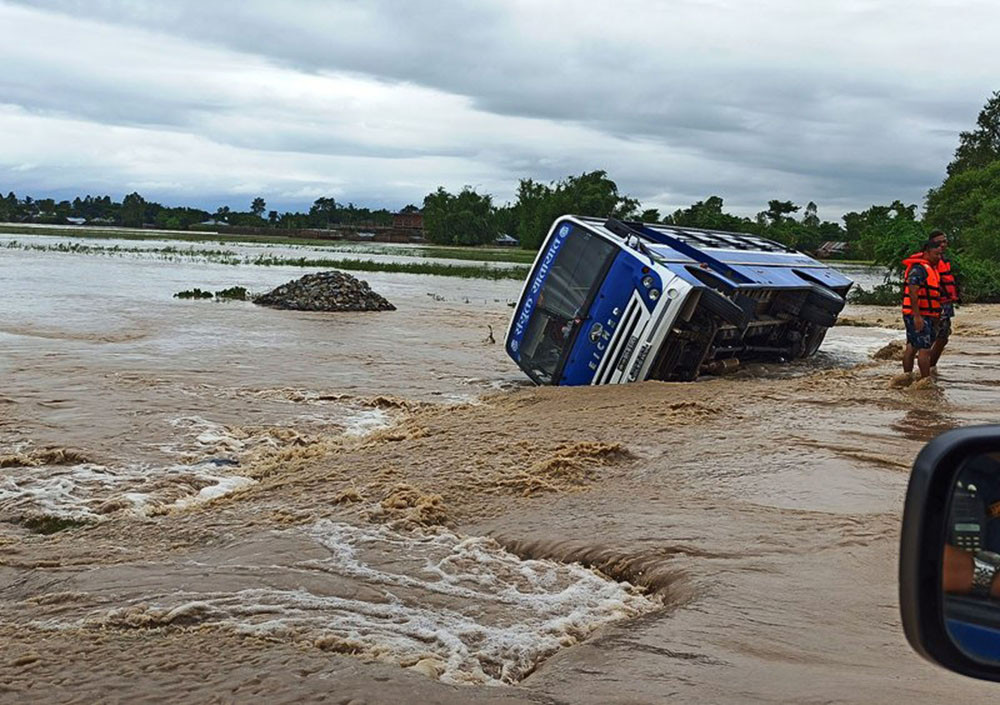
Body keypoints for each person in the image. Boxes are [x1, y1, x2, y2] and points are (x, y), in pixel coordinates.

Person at [901, 240, 944, 379]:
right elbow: (913, 291)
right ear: (926, 253)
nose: (938, 257)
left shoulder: (931, 269)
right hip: (918, 315)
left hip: (929, 314)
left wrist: (936, 316)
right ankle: (925, 382)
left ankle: (908, 378)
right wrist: (917, 316)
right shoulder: (919, 269)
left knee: (914, 346)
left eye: (940, 254)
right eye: (936, 254)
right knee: (924, 349)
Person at [928, 230, 959, 369]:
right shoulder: (930, 260)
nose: (943, 244)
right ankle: (925, 369)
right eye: (939, 242)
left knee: (943, 337)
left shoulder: (943, 259)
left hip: (945, 303)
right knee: (934, 336)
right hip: (935, 304)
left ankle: (930, 367)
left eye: (945, 241)